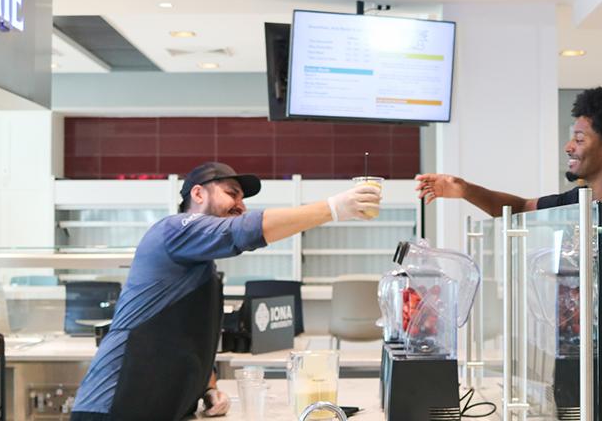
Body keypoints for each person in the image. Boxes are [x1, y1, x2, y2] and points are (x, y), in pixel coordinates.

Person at [416, 87, 602, 421]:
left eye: (579, 138)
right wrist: (464, 190)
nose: (569, 146)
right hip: (568, 382)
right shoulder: (576, 205)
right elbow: (519, 207)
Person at [70, 161, 381, 421]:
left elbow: (188, 335)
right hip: (111, 406)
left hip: (155, 407)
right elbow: (243, 231)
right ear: (197, 193)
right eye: (232, 193)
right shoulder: (174, 228)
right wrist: (333, 208)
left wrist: (207, 386)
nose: (241, 206)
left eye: (243, 199)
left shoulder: (201, 265)